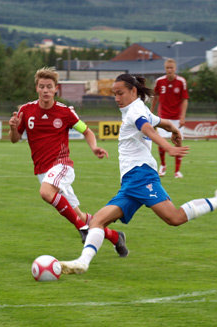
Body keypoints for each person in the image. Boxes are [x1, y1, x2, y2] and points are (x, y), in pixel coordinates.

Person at [60, 74, 217, 275]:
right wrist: (173, 129)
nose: (116, 98)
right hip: (131, 182)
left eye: (120, 93)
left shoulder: (135, 111)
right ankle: (82, 263)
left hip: (141, 176)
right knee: (97, 221)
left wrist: (168, 147)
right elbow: (160, 122)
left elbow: (148, 128)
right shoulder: (138, 109)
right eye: (114, 94)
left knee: (174, 218)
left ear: (133, 91)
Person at [8, 67, 128, 257]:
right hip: (42, 171)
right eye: (42, 86)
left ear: (56, 89)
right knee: (80, 215)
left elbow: (87, 131)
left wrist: (94, 147)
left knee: (46, 193)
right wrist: (14, 129)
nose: (46, 90)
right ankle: (114, 236)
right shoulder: (26, 111)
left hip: (62, 165)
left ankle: (82, 228)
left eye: (49, 86)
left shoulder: (65, 112)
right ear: (37, 89)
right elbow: (15, 139)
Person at [150, 58, 189, 178]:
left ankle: (177, 171)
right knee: (161, 142)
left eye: (171, 68)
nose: (169, 70)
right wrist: (151, 112)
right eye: (167, 68)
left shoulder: (181, 82)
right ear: (165, 69)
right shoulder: (160, 81)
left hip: (177, 118)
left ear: (175, 69)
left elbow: (184, 99)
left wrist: (183, 116)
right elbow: (155, 97)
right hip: (163, 116)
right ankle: (163, 166)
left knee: (178, 142)